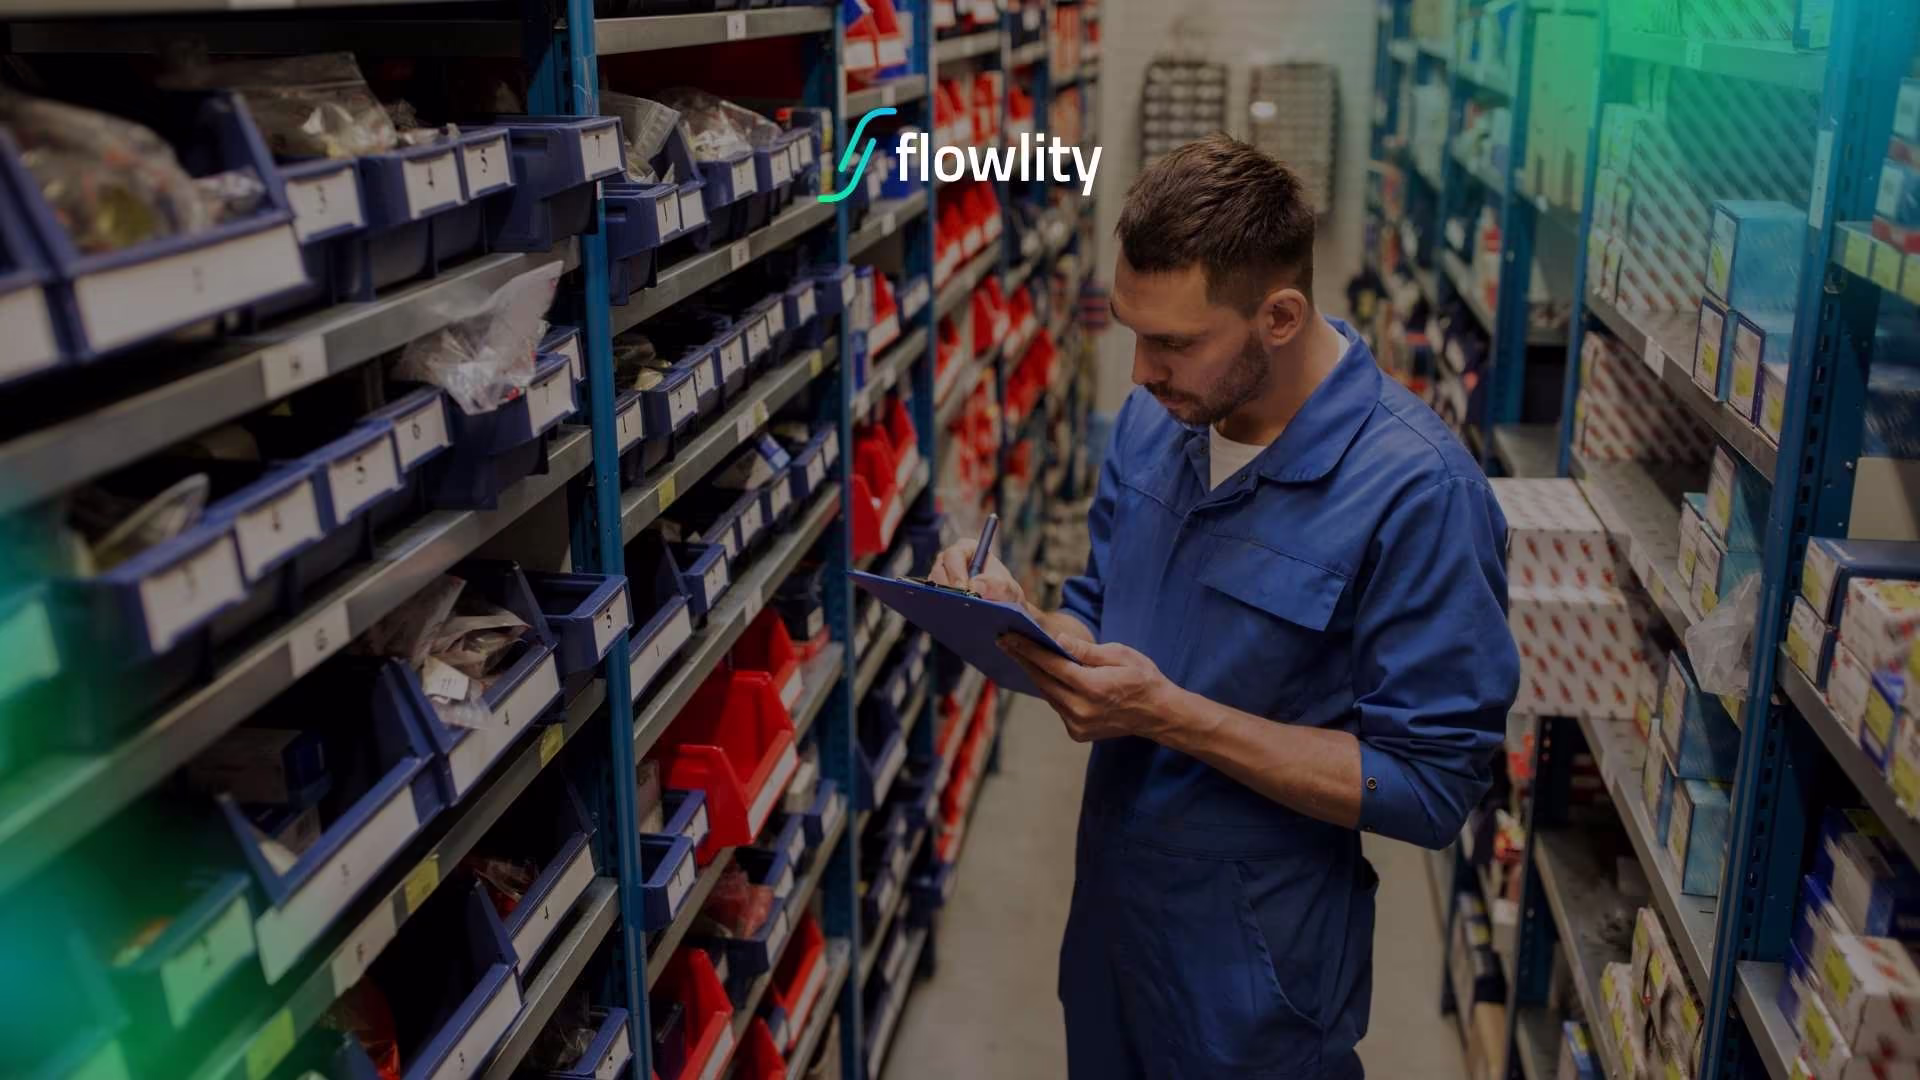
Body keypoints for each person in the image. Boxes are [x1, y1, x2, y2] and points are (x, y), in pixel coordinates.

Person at [929, 134, 1518, 1079]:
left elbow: (1431, 786)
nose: (1138, 374)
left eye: (1172, 342)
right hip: (1113, 934)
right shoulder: (1158, 423)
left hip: (1253, 983)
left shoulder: (1419, 492)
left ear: (1279, 317)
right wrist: (1023, 620)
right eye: (1131, 329)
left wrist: (1170, 717)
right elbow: (1098, 611)